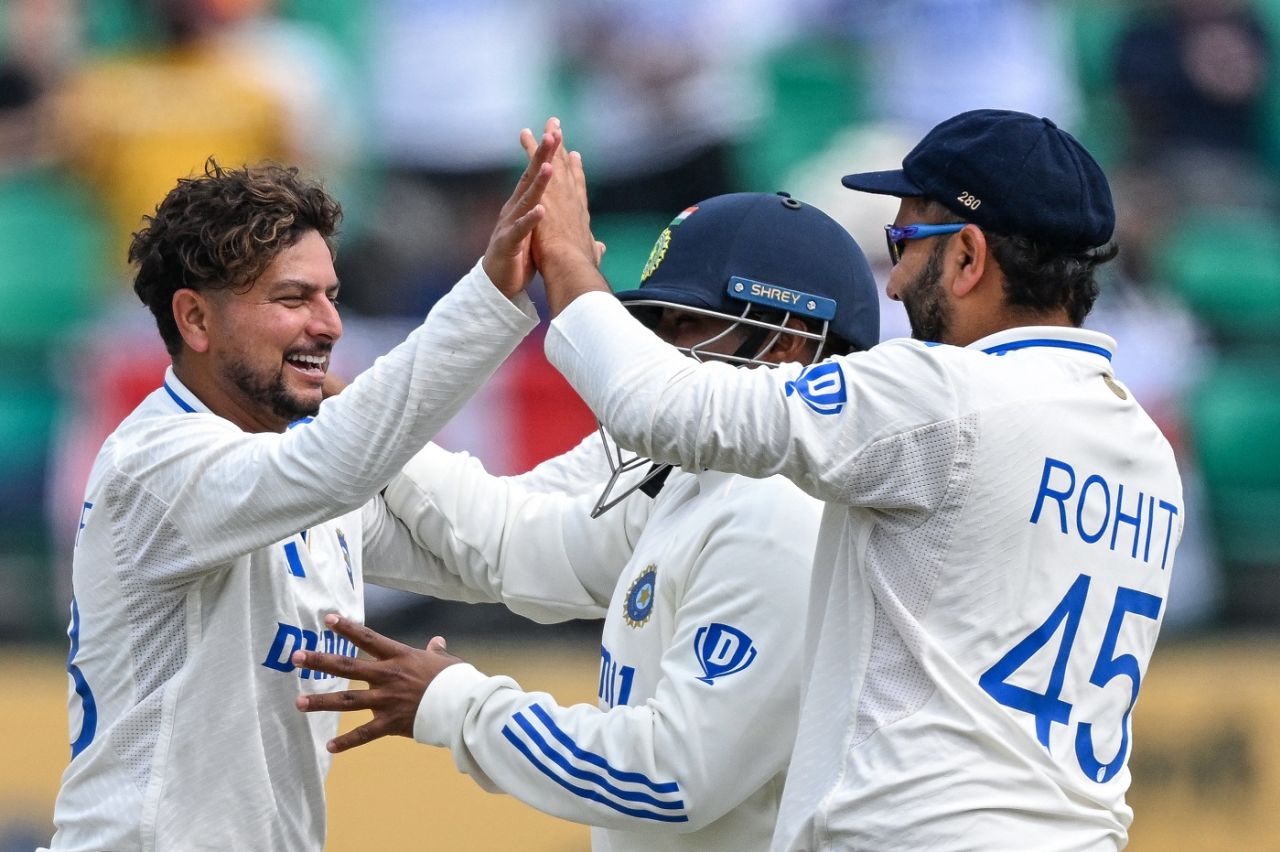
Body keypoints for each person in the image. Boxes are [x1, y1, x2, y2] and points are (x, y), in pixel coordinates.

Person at [531, 110, 1185, 849]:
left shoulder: (942, 394)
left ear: (969, 256)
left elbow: (667, 408)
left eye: (904, 241)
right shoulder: (1144, 447)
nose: (897, 279)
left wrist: (568, 265)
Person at [291, 191, 881, 850]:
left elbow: (669, 779)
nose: (654, 349)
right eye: (651, 322)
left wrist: (452, 703)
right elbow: (511, 543)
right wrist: (330, 444)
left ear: (787, 345)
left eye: (684, 323)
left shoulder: (783, 514)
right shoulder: (699, 476)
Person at [43, 124, 563, 851]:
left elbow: (485, 551)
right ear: (194, 318)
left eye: (331, 295)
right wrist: (489, 293)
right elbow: (337, 464)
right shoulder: (155, 464)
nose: (328, 326)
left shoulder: (298, 473)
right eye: (294, 298)